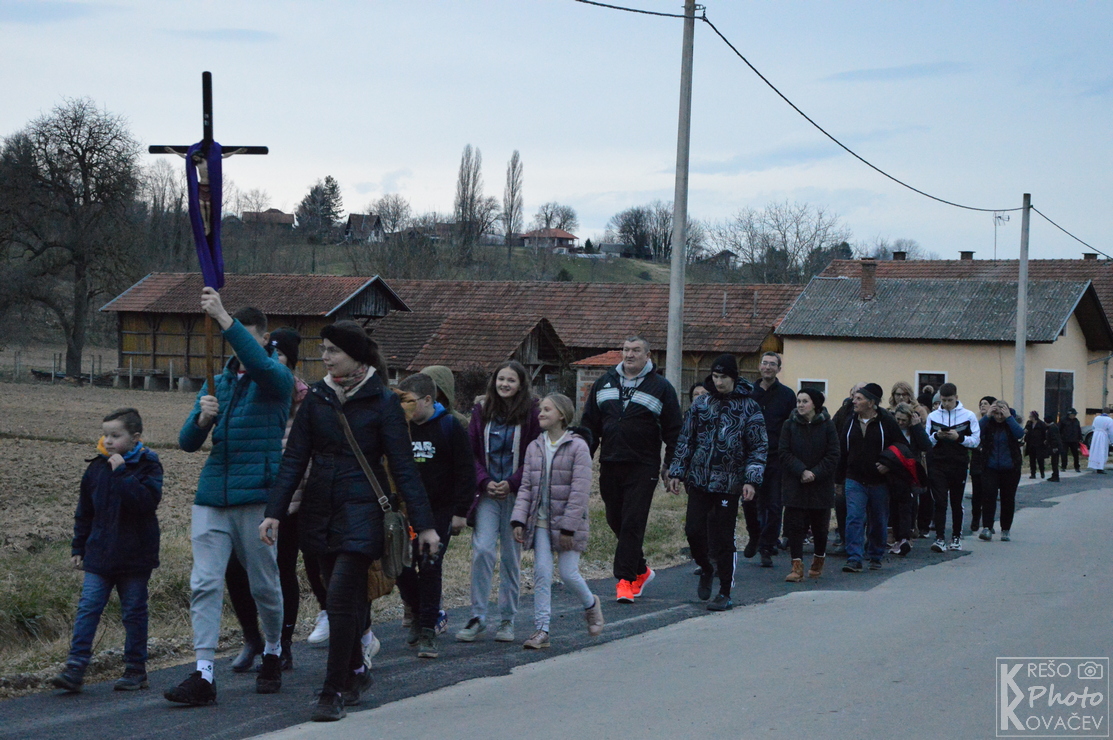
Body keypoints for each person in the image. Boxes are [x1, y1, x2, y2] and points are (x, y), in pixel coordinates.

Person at [261, 321, 438, 722]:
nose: (324, 357)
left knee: (340, 597)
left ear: (355, 356)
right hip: (320, 509)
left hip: (364, 508)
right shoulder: (317, 397)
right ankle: (357, 671)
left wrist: (425, 525)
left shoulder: (383, 401)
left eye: (332, 350)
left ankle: (332, 690)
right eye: (323, 349)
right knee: (344, 597)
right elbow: (295, 458)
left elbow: (404, 467)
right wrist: (274, 511)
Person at [166, 291, 293, 706]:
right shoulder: (217, 382)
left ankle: (272, 650)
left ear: (265, 339)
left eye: (245, 336)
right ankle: (204, 673)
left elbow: (258, 364)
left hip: (256, 495)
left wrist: (222, 317)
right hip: (212, 496)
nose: (237, 344)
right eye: (232, 336)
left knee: (264, 585)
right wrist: (202, 418)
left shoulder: (277, 377)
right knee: (204, 583)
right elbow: (187, 442)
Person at [224, 328, 326, 673]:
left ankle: (282, 645)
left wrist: (298, 496)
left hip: (291, 502)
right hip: (250, 495)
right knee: (235, 570)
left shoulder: (306, 400)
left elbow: (312, 452)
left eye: (279, 355)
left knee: (281, 571)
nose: (272, 359)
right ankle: (252, 638)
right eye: (269, 353)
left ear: (291, 363)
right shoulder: (252, 393)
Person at [50, 408, 163, 693]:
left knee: (133, 612)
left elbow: (146, 503)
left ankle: (135, 669)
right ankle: (75, 668)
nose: (108, 441)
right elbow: (84, 511)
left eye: (116, 435)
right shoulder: (96, 467)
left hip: (135, 555)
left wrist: (122, 472)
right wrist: (78, 545)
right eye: (105, 435)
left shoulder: (148, 465)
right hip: (99, 553)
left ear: (135, 437)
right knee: (88, 608)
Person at [581, 336, 682, 603]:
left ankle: (625, 580)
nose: (629, 354)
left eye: (636, 350)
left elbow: (674, 431)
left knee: (632, 522)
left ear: (648, 356)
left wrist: (671, 466)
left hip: (643, 464)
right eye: (626, 350)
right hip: (610, 461)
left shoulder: (661, 387)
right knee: (615, 519)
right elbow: (589, 425)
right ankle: (641, 569)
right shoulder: (604, 383)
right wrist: (581, 459)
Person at [668, 355, 766, 610]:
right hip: (699, 479)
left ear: (733, 377)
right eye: (715, 376)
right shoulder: (701, 404)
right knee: (693, 530)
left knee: (723, 538)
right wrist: (676, 472)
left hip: (729, 482)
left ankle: (724, 591)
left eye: (723, 377)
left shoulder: (749, 407)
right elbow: (686, 439)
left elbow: (758, 447)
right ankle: (706, 567)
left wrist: (751, 480)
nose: (719, 382)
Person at [457, 361, 541, 643]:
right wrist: (484, 481)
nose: (505, 384)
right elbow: (470, 453)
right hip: (487, 494)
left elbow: (535, 455)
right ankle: (477, 616)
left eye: (511, 380)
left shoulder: (532, 413)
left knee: (510, 556)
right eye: (501, 379)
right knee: (482, 550)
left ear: (521, 385)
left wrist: (513, 482)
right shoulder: (481, 410)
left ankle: (507, 619)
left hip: (517, 494)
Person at [512, 394, 604, 646]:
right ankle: (542, 630)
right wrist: (519, 520)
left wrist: (568, 528)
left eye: (547, 409)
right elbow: (526, 487)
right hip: (540, 522)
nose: (540, 413)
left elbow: (580, 491)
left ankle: (591, 604)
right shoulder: (534, 447)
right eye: (540, 409)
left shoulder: (578, 447)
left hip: (568, 524)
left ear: (562, 415)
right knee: (541, 573)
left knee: (568, 573)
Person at [394, 372, 475, 659]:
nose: (404, 408)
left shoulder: (449, 426)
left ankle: (428, 629)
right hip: (406, 510)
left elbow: (466, 471)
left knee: (429, 565)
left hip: (440, 510)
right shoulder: (400, 428)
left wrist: (461, 512)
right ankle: (418, 613)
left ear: (428, 400)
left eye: (410, 402)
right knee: (400, 566)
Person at [835, 383, 903, 572]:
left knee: (879, 520)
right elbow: (842, 451)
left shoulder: (886, 421)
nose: (854, 401)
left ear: (871, 402)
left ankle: (875, 554)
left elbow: (900, 446)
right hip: (854, 478)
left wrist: (888, 464)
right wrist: (838, 480)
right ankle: (854, 558)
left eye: (859, 398)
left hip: (879, 480)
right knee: (854, 517)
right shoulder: (850, 421)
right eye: (854, 398)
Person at [779, 388, 839, 582]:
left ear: (815, 404)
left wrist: (815, 473)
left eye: (805, 401)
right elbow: (784, 452)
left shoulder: (827, 425)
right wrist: (802, 471)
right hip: (795, 484)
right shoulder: (789, 425)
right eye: (798, 401)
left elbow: (833, 454)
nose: (800, 405)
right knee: (795, 527)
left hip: (820, 485)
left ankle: (818, 561)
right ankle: (796, 567)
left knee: (820, 528)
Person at [743, 352, 796, 568]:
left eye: (772, 364)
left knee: (774, 505)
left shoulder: (787, 395)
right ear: (759, 366)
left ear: (779, 369)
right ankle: (754, 535)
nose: (768, 367)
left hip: (776, 456)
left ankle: (766, 546)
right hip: (750, 456)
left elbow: (791, 426)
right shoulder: (748, 393)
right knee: (749, 502)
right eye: (765, 363)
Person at [925, 383, 980, 553]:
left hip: (959, 464)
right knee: (940, 501)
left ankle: (956, 537)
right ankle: (940, 538)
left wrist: (959, 437)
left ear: (956, 398)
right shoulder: (933, 416)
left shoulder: (968, 416)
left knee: (956, 502)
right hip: (938, 464)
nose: (946, 404)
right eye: (943, 400)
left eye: (949, 400)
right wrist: (937, 435)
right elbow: (926, 441)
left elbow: (975, 441)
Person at [977, 400, 1024, 541]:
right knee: (988, 496)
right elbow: (975, 431)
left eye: (1001, 414)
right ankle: (987, 527)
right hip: (990, 467)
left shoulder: (1011, 423)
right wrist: (987, 416)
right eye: (996, 413)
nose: (998, 417)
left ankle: (1005, 529)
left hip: (1010, 468)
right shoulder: (988, 423)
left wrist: (1009, 418)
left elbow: (1019, 434)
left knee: (1007, 499)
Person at [891, 402, 931, 555]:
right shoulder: (893, 430)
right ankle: (899, 537)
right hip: (895, 471)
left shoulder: (914, 431)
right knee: (895, 506)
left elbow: (926, 446)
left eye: (904, 420)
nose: (900, 423)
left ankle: (904, 537)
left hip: (911, 472)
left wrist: (917, 427)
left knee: (908, 506)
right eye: (898, 419)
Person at [829, 382, 863, 552]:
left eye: (860, 394)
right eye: (854, 394)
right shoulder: (843, 413)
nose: (855, 398)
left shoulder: (879, 416)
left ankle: (865, 542)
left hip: (868, 469)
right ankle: (845, 539)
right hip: (844, 467)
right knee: (842, 504)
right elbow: (832, 432)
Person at [968, 396, 996, 533]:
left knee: (989, 494)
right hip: (977, 461)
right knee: (976, 494)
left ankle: (988, 524)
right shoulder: (976, 421)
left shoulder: (996, 421)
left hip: (990, 462)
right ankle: (975, 520)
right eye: (981, 404)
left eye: (985, 403)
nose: (982, 406)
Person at [1024, 411, 1048, 479]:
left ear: (1034, 417)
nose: (1029, 418)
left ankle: (1042, 473)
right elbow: (1026, 430)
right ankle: (1033, 474)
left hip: (1039, 444)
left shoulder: (1041, 424)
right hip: (1030, 444)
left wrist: (1045, 441)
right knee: (1032, 460)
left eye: (1030, 416)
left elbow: (1045, 433)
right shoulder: (1029, 423)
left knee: (1040, 460)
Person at [1088, 409, 1112, 474]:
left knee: (1095, 450)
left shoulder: (1096, 418)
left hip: (1096, 435)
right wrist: (1111, 440)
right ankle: (1100, 467)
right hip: (1103, 435)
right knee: (1102, 451)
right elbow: (1111, 431)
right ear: (1109, 413)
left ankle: (1094, 464)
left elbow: (1093, 427)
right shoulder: (1109, 420)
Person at [1060, 408, 1082, 473]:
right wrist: (1060, 438)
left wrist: (1080, 438)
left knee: (1076, 454)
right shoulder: (1063, 420)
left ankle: (1077, 467)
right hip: (1065, 440)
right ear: (1069, 414)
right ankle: (1063, 466)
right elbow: (1059, 429)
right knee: (1064, 454)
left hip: (1074, 440)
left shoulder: (1076, 421)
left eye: (1075, 415)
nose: (1074, 416)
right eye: (1073, 414)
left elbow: (1078, 430)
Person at [1046, 416, 1063, 483]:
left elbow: (1054, 438)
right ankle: (1054, 475)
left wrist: (1054, 447)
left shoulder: (1052, 428)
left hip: (1055, 448)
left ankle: (1055, 476)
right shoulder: (1054, 426)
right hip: (1056, 447)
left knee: (1054, 462)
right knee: (1054, 462)